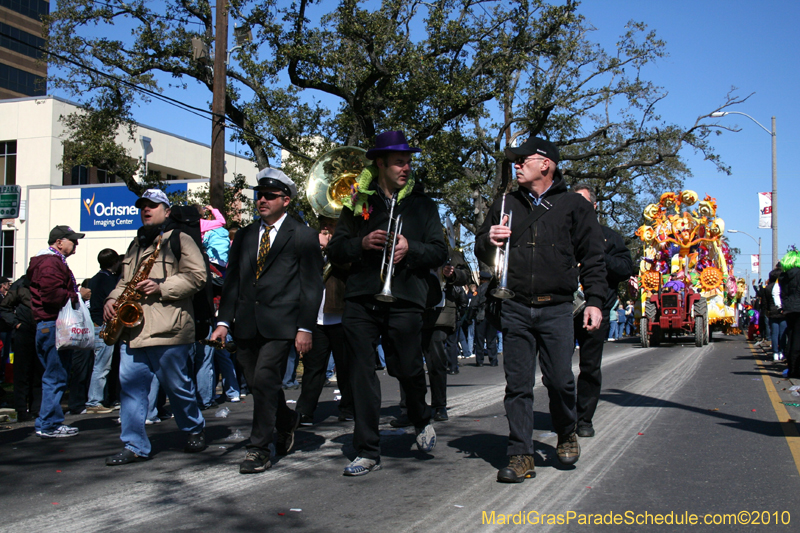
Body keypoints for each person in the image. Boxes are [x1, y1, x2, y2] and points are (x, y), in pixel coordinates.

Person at [475, 136, 607, 483]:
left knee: (561, 381)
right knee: (517, 385)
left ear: (545, 164)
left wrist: (594, 301)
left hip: (557, 308)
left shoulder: (575, 206)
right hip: (515, 305)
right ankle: (520, 454)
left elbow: (593, 257)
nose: (517, 165)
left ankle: (566, 432)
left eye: (524, 159)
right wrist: (488, 238)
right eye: (515, 161)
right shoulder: (505, 201)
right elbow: (479, 245)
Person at [328, 130, 447, 476]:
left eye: (409, 162)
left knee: (408, 366)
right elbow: (335, 250)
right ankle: (366, 450)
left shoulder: (423, 205)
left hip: (406, 296)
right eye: (399, 162)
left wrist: (413, 249)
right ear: (380, 163)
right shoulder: (358, 202)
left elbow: (440, 251)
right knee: (361, 373)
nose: (407, 168)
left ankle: (421, 415)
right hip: (362, 297)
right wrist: (361, 243)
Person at [210, 169, 323, 474]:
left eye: (270, 196)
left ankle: (259, 448)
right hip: (246, 323)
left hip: (282, 325)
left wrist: (304, 328)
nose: (262, 200)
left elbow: (312, 286)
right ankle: (287, 422)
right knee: (261, 384)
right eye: (259, 195)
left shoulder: (303, 235)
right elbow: (232, 281)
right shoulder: (246, 234)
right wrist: (224, 322)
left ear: (286, 200)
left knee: (263, 381)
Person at [103, 189, 208, 465]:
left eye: (153, 206)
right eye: (143, 206)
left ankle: (194, 428)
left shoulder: (180, 239)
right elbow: (124, 282)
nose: (146, 210)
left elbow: (198, 277)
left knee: (178, 389)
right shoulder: (135, 245)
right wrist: (112, 299)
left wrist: (161, 287)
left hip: (169, 331)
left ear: (167, 211)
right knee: (131, 391)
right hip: (134, 331)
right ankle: (134, 444)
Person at [571, 183, 633, 438]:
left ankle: (584, 419)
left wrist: (597, 256)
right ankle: (564, 414)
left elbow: (626, 267)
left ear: (594, 206)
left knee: (590, 367)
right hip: (563, 309)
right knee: (556, 369)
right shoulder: (561, 234)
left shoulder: (609, 237)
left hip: (597, 308)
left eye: (583, 203)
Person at [28, 225, 86, 438]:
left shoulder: (48, 262)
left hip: (49, 325)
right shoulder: (50, 263)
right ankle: (49, 424)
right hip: (53, 325)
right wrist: (75, 295)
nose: (76, 246)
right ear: (59, 242)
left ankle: (48, 422)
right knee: (56, 375)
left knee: (54, 375)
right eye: (73, 241)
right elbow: (52, 295)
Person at [296, 216, 354, 426]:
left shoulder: (347, 245)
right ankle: (304, 411)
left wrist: (332, 248)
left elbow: (350, 266)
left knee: (345, 366)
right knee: (313, 368)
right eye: (323, 224)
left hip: (340, 314)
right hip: (316, 318)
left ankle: (348, 407)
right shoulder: (313, 246)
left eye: (330, 223)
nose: (325, 227)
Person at [0, 275, 41, 421]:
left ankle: (36, 409)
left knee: (38, 371)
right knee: (22, 372)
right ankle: (22, 410)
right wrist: (17, 324)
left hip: (40, 330)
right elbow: (4, 307)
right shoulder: (20, 285)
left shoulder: (45, 282)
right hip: (24, 331)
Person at [85, 249, 121, 413]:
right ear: (115, 262)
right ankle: (94, 401)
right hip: (104, 325)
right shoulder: (108, 281)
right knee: (102, 366)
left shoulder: (94, 279)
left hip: (99, 323)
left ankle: (104, 398)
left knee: (103, 365)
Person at [473, 271, 499, 366]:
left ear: (482, 280)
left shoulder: (479, 289)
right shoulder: (495, 289)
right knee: (491, 339)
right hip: (492, 316)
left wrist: (470, 316)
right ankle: (493, 360)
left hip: (481, 316)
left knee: (480, 339)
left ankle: (480, 361)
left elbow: (474, 304)